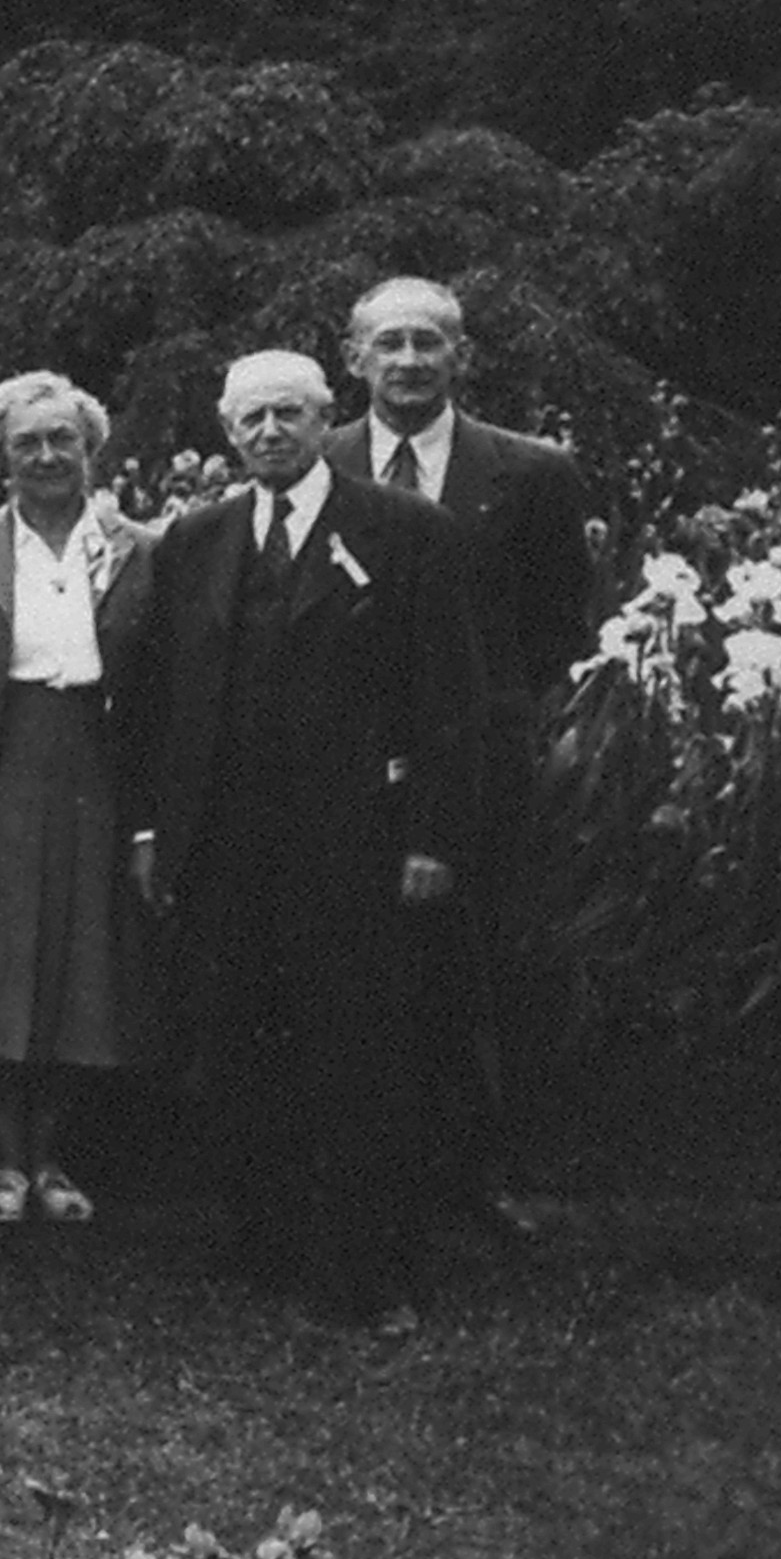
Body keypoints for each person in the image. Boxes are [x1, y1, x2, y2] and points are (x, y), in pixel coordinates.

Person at [115, 348, 484, 1326]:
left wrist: (432, 838)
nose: (270, 431)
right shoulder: (196, 538)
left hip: (357, 838)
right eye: (252, 418)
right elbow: (157, 699)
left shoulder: (405, 530)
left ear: (326, 420)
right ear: (227, 432)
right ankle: (266, 1239)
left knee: (356, 1051)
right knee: (241, 1041)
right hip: (227, 843)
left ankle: (367, 1266)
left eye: (288, 413)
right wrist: (153, 830)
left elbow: (449, 696)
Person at [334, 275, 601, 1222]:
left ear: (461, 356)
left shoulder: (531, 473)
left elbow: (558, 623)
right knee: (352, 965)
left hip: (480, 759)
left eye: (428, 342)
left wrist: (484, 713)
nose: (408, 360)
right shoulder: (317, 460)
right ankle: (360, 1172)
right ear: (353, 357)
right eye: (389, 342)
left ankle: (472, 1176)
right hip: (344, 762)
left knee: (474, 961)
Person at [0, 372, 155, 1234]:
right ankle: (0, 1155)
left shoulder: (141, 547)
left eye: (63, 440)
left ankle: (53, 1153)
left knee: (81, 964)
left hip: (96, 766)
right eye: (26, 443)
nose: (46, 456)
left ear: (91, 450)